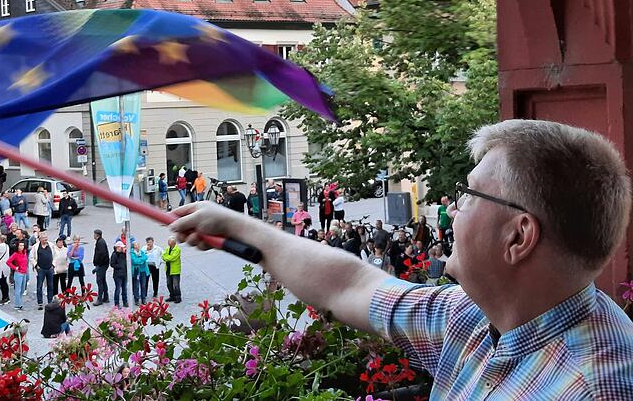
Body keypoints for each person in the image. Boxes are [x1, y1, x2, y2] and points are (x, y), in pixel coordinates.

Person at [170, 120, 633, 399]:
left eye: (468, 195)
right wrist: (235, 226)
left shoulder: (599, 388)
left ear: (519, 236)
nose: (452, 209)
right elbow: (348, 285)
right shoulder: (472, 318)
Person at [30, 232, 55, 310]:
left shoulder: (51, 245)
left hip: (50, 268)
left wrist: (53, 264)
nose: (45, 240)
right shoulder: (35, 247)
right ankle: (40, 303)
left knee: (50, 286)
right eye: (44, 239)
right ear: (40, 239)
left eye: (46, 238)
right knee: (39, 286)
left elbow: (55, 255)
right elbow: (31, 257)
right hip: (41, 269)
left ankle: (50, 302)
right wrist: (36, 265)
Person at [6, 240, 29, 310]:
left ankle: (19, 301)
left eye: (23, 245)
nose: (22, 247)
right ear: (18, 246)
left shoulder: (24, 252)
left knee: (22, 289)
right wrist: (15, 267)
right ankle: (17, 304)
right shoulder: (15, 254)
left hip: (24, 273)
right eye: (20, 245)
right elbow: (8, 262)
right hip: (18, 273)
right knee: (18, 290)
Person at [92, 229, 110, 306]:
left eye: (94, 234)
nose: (93, 235)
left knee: (100, 281)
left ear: (97, 235)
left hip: (102, 265)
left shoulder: (100, 242)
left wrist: (98, 266)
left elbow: (102, 255)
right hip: (103, 264)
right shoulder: (100, 241)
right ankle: (106, 297)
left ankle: (100, 299)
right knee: (103, 280)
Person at [162, 237, 181, 303]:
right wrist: (166, 258)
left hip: (175, 270)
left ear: (173, 243)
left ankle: (178, 297)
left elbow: (173, 258)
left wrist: (166, 258)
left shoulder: (177, 249)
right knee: (169, 284)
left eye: (169, 242)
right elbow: (163, 255)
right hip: (168, 269)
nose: (168, 243)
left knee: (176, 285)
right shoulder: (167, 248)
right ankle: (172, 296)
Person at [110, 240, 129, 307]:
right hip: (117, 275)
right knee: (118, 289)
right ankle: (116, 303)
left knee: (124, 289)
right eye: (121, 247)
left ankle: (125, 302)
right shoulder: (114, 254)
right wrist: (120, 266)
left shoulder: (124, 254)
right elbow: (112, 264)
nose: (122, 248)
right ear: (118, 247)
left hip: (124, 274)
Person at [130, 241, 150, 305]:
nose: (138, 246)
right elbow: (135, 261)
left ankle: (143, 299)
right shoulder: (131, 253)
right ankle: (136, 299)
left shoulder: (141, 252)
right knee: (136, 286)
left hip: (143, 271)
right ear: (134, 246)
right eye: (137, 245)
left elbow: (146, 257)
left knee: (143, 286)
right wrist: (142, 260)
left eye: (139, 244)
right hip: (136, 272)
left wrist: (140, 260)